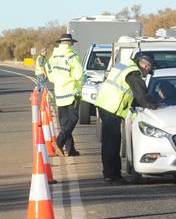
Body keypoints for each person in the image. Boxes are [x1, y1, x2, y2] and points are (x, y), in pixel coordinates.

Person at [95, 55, 160, 184]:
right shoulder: (133, 73)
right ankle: (112, 176)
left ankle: (111, 174)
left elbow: (133, 95)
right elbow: (142, 95)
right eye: (148, 72)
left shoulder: (126, 64)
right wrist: (155, 106)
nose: (146, 74)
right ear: (146, 66)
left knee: (110, 141)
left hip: (105, 103)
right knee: (112, 142)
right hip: (111, 106)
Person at [47, 33, 84, 156]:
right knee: (73, 119)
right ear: (69, 43)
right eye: (72, 43)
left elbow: (50, 76)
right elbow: (78, 75)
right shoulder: (72, 56)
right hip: (71, 91)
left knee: (64, 122)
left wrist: (59, 80)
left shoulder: (52, 57)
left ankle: (70, 149)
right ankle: (59, 142)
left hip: (59, 91)